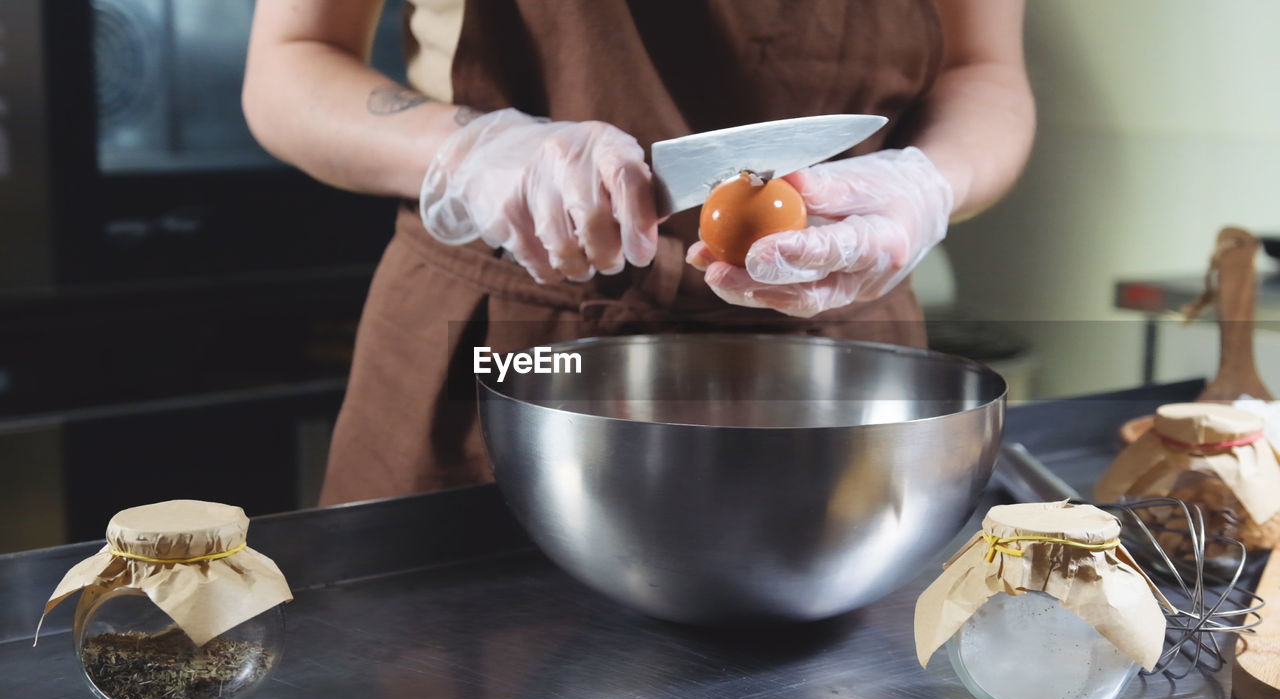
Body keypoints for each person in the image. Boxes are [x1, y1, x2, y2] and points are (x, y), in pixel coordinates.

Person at [243, 0, 1035, 505]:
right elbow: (290, 60)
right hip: (505, 351)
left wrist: (929, 183)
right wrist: (469, 150)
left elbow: (984, 69)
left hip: (837, 356)